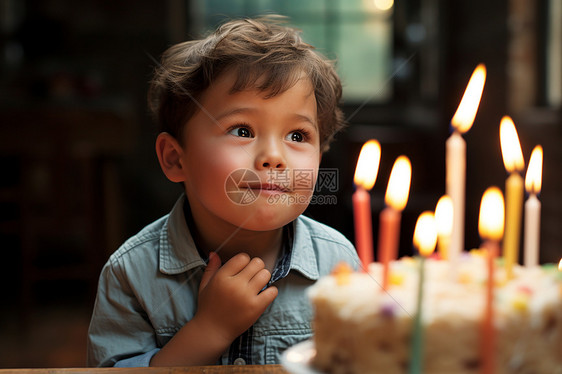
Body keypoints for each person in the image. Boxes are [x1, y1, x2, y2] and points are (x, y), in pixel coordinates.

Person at [87, 15, 359, 367]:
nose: (274, 157)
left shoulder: (338, 264)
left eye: (297, 136)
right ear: (175, 159)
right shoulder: (131, 274)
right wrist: (210, 329)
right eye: (242, 130)